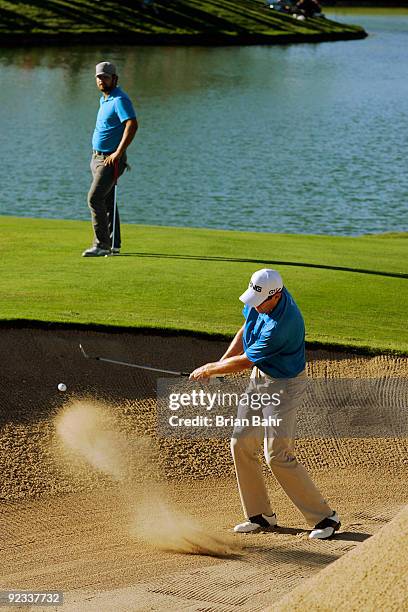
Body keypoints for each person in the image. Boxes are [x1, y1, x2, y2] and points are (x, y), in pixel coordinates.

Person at [190, 269, 341, 540]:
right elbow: (245, 329)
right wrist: (221, 364)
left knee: (277, 455)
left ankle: (324, 518)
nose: (255, 305)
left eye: (260, 302)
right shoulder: (260, 298)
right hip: (261, 377)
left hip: (285, 385)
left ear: (277, 294)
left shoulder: (283, 325)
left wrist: (212, 369)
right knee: (241, 443)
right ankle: (260, 515)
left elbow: (247, 360)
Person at [83, 61, 138, 257]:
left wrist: (118, 153)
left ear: (114, 79)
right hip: (97, 157)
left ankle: (101, 245)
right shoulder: (105, 99)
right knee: (107, 201)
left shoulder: (120, 100)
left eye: (105, 77)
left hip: (110, 160)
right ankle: (114, 243)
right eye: (98, 77)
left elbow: (132, 125)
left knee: (94, 198)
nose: (101, 80)